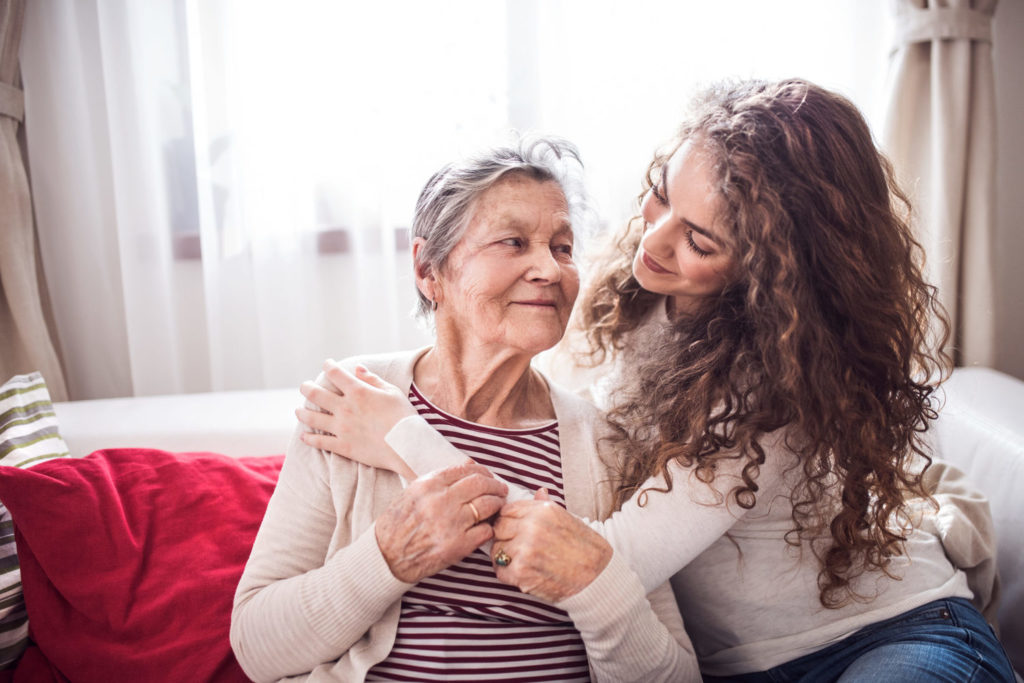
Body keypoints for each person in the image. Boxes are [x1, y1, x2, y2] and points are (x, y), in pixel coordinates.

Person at [298, 79, 1016, 682]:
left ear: (774, 269)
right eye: (660, 193)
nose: (654, 237)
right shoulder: (633, 289)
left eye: (700, 240)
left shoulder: (777, 380)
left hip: (889, 640)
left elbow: (598, 557)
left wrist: (400, 437)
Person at [230, 136, 699, 682]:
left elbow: (675, 677)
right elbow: (257, 647)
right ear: (430, 270)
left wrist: (591, 581)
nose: (549, 268)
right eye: (514, 242)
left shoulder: (605, 446)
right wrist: (389, 556)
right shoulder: (353, 399)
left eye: (563, 247)